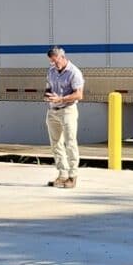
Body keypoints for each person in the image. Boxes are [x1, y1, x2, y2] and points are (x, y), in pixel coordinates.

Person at [44, 45, 86, 188]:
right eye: (51, 62)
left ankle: (73, 176)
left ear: (63, 57)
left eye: (56, 61)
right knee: (56, 143)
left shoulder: (74, 72)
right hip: (53, 110)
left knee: (70, 142)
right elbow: (49, 87)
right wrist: (48, 95)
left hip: (67, 110)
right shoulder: (51, 71)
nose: (54, 65)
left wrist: (60, 99)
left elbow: (79, 94)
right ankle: (62, 174)